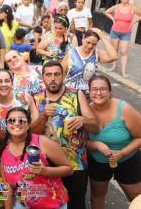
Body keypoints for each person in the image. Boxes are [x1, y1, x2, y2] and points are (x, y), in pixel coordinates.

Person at [32, 61, 99, 209]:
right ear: (42, 77)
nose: (53, 78)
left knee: (76, 204)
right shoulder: (35, 98)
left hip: (76, 164)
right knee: (47, 204)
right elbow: (32, 134)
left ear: (63, 75)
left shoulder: (76, 94)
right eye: (48, 75)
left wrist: (83, 120)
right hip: (46, 165)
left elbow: (95, 127)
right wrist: (43, 116)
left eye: (57, 74)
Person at [0, 107, 72, 208]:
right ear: (6, 125)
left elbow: (69, 169)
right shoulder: (4, 152)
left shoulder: (42, 142)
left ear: (28, 125)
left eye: (22, 120)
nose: (16, 123)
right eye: (11, 120)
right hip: (22, 205)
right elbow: (8, 187)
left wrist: (45, 171)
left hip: (53, 204)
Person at [87, 75, 141, 208]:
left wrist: (121, 153)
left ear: (110, 91)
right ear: (89, 92)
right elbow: (80, 141)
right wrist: (96, 144)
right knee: (97, 195)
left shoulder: (124, 109)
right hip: (97, 162)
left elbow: (140, 137)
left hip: (128, 161)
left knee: (136, 198)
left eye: (103, 89)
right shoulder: (85, 110)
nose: (98, 93)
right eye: (94, 89)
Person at [61, 28, 117, 94]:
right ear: (83, 38)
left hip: (89, 94)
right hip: (70, 93)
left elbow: (114, 56)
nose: (90, 46)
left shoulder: (97, 53)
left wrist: (102, 36)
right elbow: (62, 73)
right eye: (88, 42)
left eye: (94, 44)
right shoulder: (71, 53)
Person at [104, 0, 141, 78]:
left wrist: (133, 22)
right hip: (115, 32)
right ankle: (114, 66)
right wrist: (113, 19)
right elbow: (106, 12)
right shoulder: (117, 7)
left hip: (126, 33)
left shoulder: (133, 8)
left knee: (123, 52)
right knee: (114, 50)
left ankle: (123, 72)